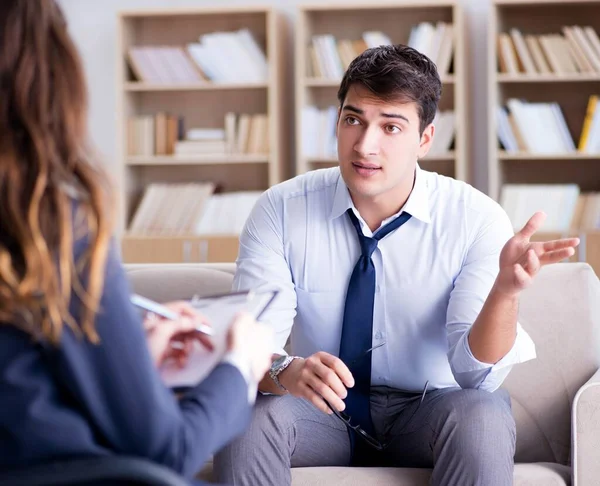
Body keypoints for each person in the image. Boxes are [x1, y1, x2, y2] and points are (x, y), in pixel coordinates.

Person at [214, 43, 580, 486]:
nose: (365, 145)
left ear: (425, 138)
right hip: (322, 412)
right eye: (353, 120)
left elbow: (475, 374)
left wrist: (504, 293)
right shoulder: (280, 210)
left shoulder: (475, 218)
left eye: (391, 127)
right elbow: (250, 347)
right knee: (246, 415)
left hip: (427, 411)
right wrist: (285, 369)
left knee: (482, 412)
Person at [0, 1, 273, 485]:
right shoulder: (51, 231)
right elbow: (169, 451)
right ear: (48, 75)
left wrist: (131, 364)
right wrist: (239, 368)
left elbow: (24, 391)